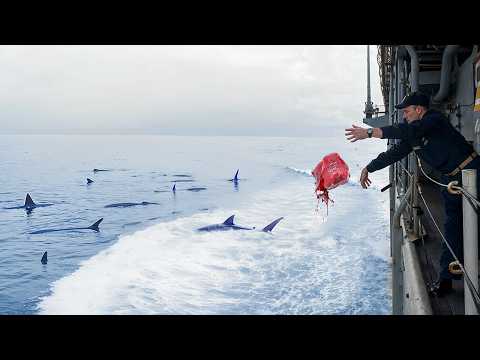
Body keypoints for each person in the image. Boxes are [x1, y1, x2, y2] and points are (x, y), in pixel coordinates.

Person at [345, 91, 480, 297]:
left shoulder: (435, 120)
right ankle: (446, 278)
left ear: (419, 110)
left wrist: (371, 133)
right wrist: (369, 168)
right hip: (450, 181)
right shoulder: (413, 134)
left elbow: (409, 129)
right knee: (453, 227)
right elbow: (393, 153)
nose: (404, 116)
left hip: (473, 173)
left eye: (407, 111)